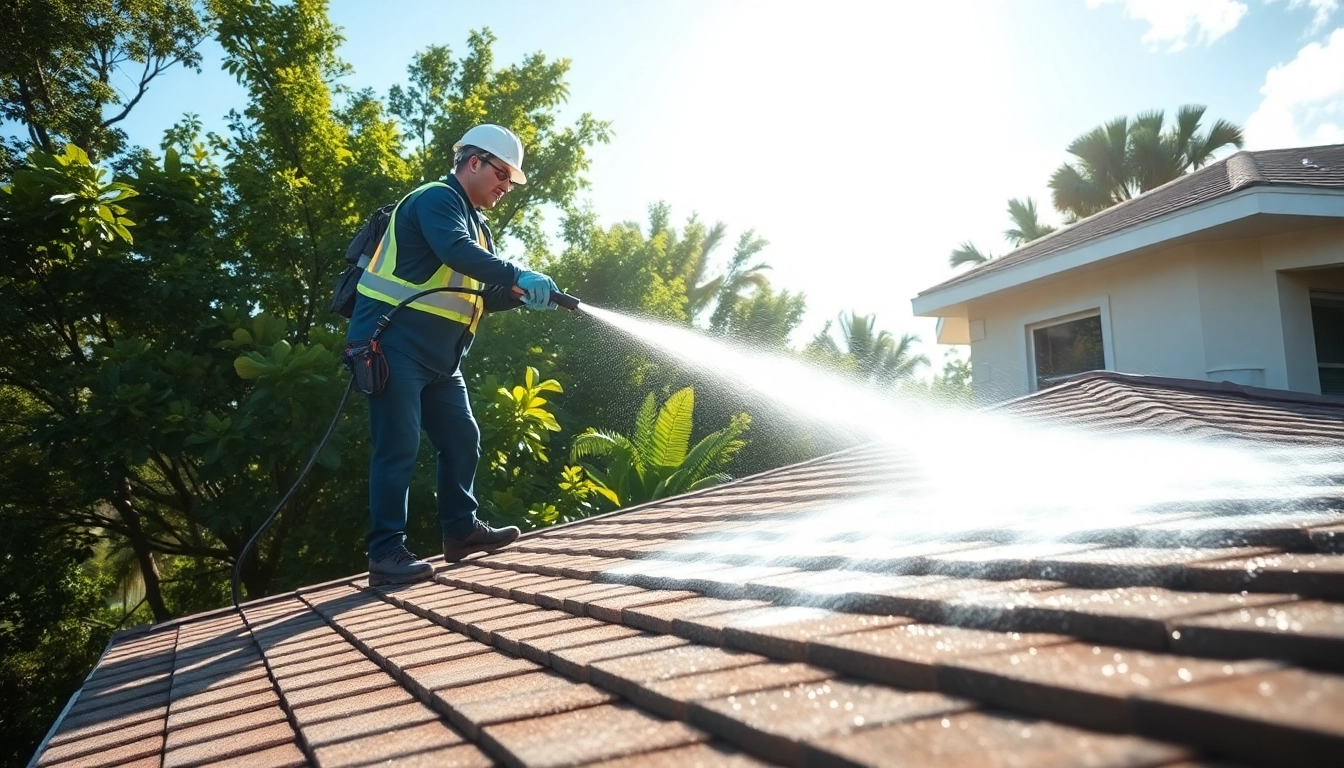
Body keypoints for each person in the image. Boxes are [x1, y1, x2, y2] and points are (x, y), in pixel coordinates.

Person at [347, 123, 559, 586]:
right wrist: (521, 273)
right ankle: (385, 551)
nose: (506, 186)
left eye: (510, 179)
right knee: (398, 445)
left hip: (441, 357)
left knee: (463, 438)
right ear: (473, 162)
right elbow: (455, 253)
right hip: (392, 342)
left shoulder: (478, 226)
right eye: (502, 174)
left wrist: (521, 294)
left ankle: (460, 532)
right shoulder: (435, 200)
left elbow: (482, 292)